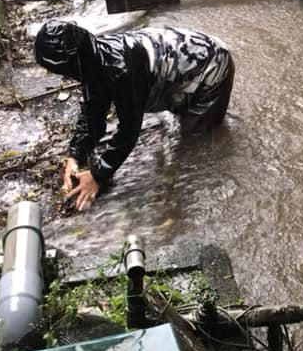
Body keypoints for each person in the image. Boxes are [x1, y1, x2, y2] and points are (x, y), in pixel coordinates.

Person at [35, 21, 235, 210]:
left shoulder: (121, 70)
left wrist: (97, 175)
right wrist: (75, 155)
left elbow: (129, 130)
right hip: (182, 59)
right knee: (175, 116)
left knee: (196, 144)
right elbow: (92, 112)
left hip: (213, 65)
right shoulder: (93, 60)